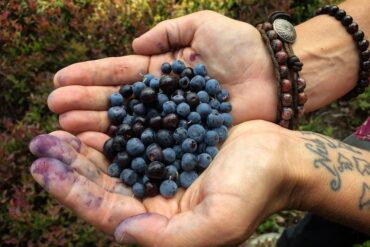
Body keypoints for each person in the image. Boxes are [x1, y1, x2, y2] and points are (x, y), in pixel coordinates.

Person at [29, 0, 370, 246]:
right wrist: (280, 62)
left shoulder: (181, 133)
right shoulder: (168, 113)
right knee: (316, 233)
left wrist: (296, 166)